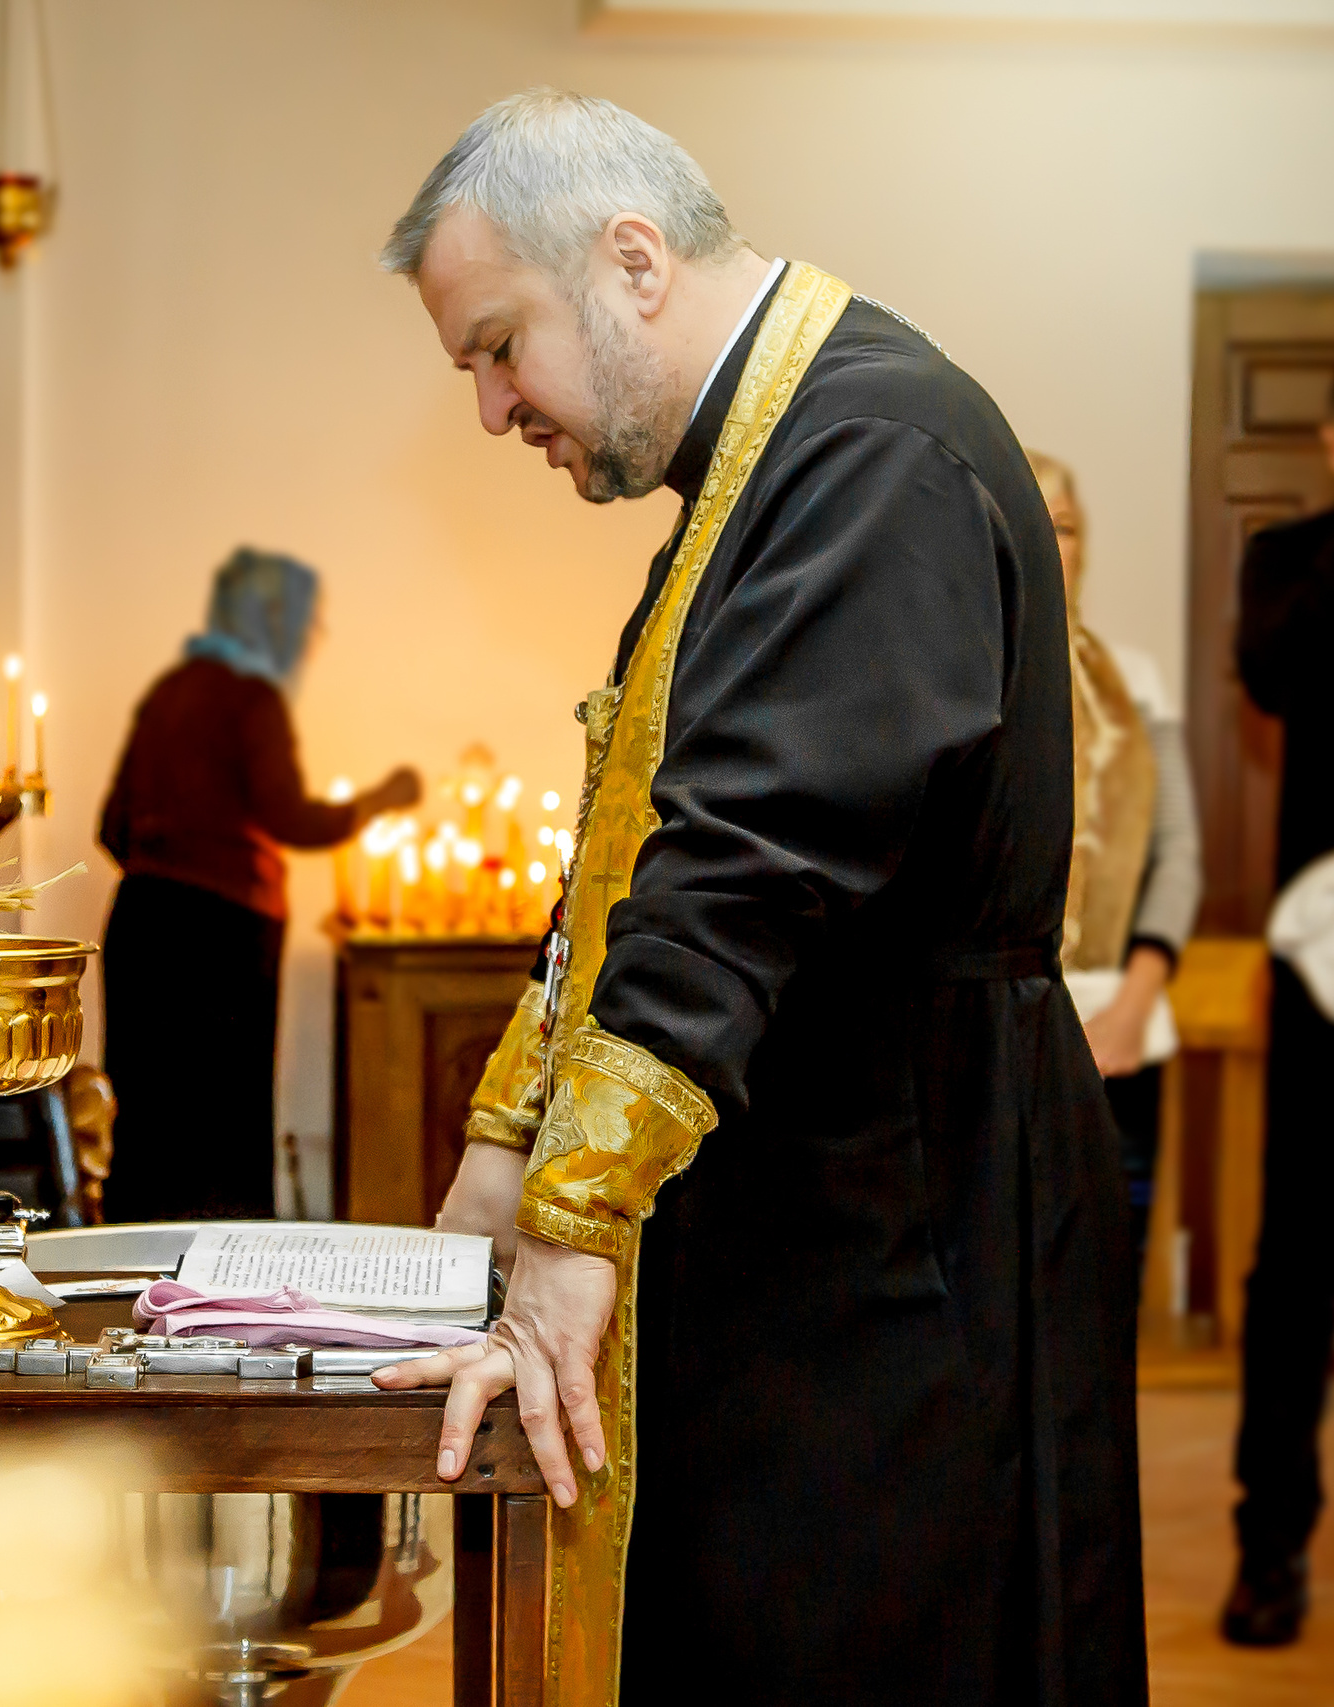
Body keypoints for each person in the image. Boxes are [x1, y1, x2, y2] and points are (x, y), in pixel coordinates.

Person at [373, 91, 1143, 1705]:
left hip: (902, 1226)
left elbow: (742, 853)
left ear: (631, 261)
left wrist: (573, 1221)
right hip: (828, 1199)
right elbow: (627, 847)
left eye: (499, 345)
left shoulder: (867, 446)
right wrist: (503, 1154)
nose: (496, 407)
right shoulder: (768, 458)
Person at [96, 547, 417, 1222]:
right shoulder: (252, 697)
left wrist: (166, 860)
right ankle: (218, 1301)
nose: (306, 642)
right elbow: (290, 818)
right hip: (219, 946)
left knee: (150, 1118)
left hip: (140, 926)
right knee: (221, 1129)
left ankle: (130, 1291)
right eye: (304, 625)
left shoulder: (172, 688)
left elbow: (110, 824)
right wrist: (378, 799)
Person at [1030, 451, 1200, 1273]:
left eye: (1065, 525)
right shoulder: (953, 672)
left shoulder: (1135, 681)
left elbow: (1179, 855)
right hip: (998, 1030)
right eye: (1033, 518)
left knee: (1105, 1278)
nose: (1049, 539)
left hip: (1119, 1032)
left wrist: (1133, 1007)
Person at [1226, 377, 1334, 1647]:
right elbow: (1275, 670)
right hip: (1322, 969)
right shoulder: (1288, 562)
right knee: (1294, 1266)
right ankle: (1269, 1546)